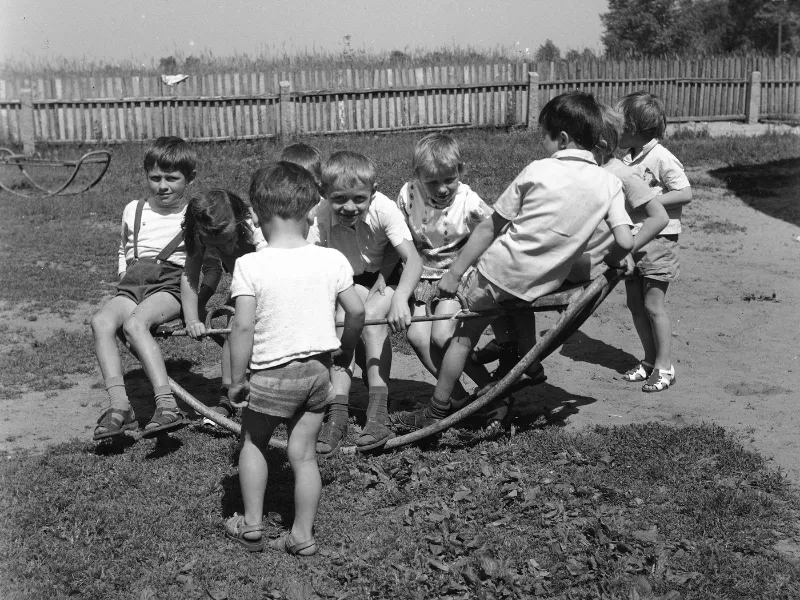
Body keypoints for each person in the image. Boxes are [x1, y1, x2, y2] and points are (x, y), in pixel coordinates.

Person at [395, 92, 634, 430]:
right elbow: (625, 239)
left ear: (562, 138)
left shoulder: (538, 170)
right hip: (543, 281)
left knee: (462, 337)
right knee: (516, 307)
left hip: (497, 272)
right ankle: (527, 366)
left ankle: (437, 409)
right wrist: (615, 259)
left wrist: (456, 272)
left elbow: (492, 226)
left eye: (545, 137)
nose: (544, 145)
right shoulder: (610, 182)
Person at [223, 162, 365, 555]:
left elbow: (243, 329)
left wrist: (236, 379)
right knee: (302, 455)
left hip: (270, 377)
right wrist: (346, 349)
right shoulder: (331, 259)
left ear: (254, 215)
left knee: (253, 442)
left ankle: (252, 525)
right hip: (318, 373)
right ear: (311, 211)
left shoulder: (249, 265)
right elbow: (356, 312)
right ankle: (301, 535)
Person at [308, 150, 423, 454]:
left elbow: (412, 259)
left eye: (358, 198)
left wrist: (399, 296)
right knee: (340, 324)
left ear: (373, 192)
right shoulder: (319, 216)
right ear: (324, 194)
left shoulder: (383, 209)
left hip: (388, 276)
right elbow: (309, 261)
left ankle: (378, 409)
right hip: (348, 281)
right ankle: (338, 411)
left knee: (372, 321)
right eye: (339, 199)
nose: (349, 207)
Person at [92, 136, 197, 440]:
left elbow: (201, 263)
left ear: (189, 178)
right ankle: (119, 406)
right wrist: (126, 278)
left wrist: (195, 308)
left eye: (172, 178)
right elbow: (124, 248)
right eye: (155, 177)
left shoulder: (191, 214)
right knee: (101, 321)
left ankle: (166, 404)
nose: (162, 185)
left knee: (136, 324)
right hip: (134, 284)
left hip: (170, 286)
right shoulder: (134, 209)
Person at [396, 133, 495, 409]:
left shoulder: (468, 201)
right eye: (432, 181)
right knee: (416, 337)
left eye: (449, 179)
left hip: (456, 276)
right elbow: (399, 236)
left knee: (441, 336)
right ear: (418, 175)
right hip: (422, 275)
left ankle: (491, 388)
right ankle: (457, 397)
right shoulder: (407, 195)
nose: (441, 189)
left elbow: (493, 229)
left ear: (460, 171)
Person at [617, 91, 692, 393]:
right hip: (633, 239)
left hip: (660, 239)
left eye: (619, 125)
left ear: (634, 128)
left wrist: (650, 201)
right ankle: (649, 360)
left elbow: (685, 192)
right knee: (635, 303)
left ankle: (665, 366)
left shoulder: (661, 157)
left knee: (653, 304)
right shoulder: (627, 156)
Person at [180, 188, 267, 421]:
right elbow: (190, 274)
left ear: (238, 221)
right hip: (245, 289)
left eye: (229, 240)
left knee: (238, 322)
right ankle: (227, 396)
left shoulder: (255, 229)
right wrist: (191, 317)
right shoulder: (199, 236)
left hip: (272, 284)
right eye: (216, 244)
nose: (226, 248)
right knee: (232, 325)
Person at [567, 103, 669, 284]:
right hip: (575, 254)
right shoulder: (582, 170)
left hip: (591, 263)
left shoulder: (623, 175)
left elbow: (659, 217)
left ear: (599, 147)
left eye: (578, 143)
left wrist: (627, 250)